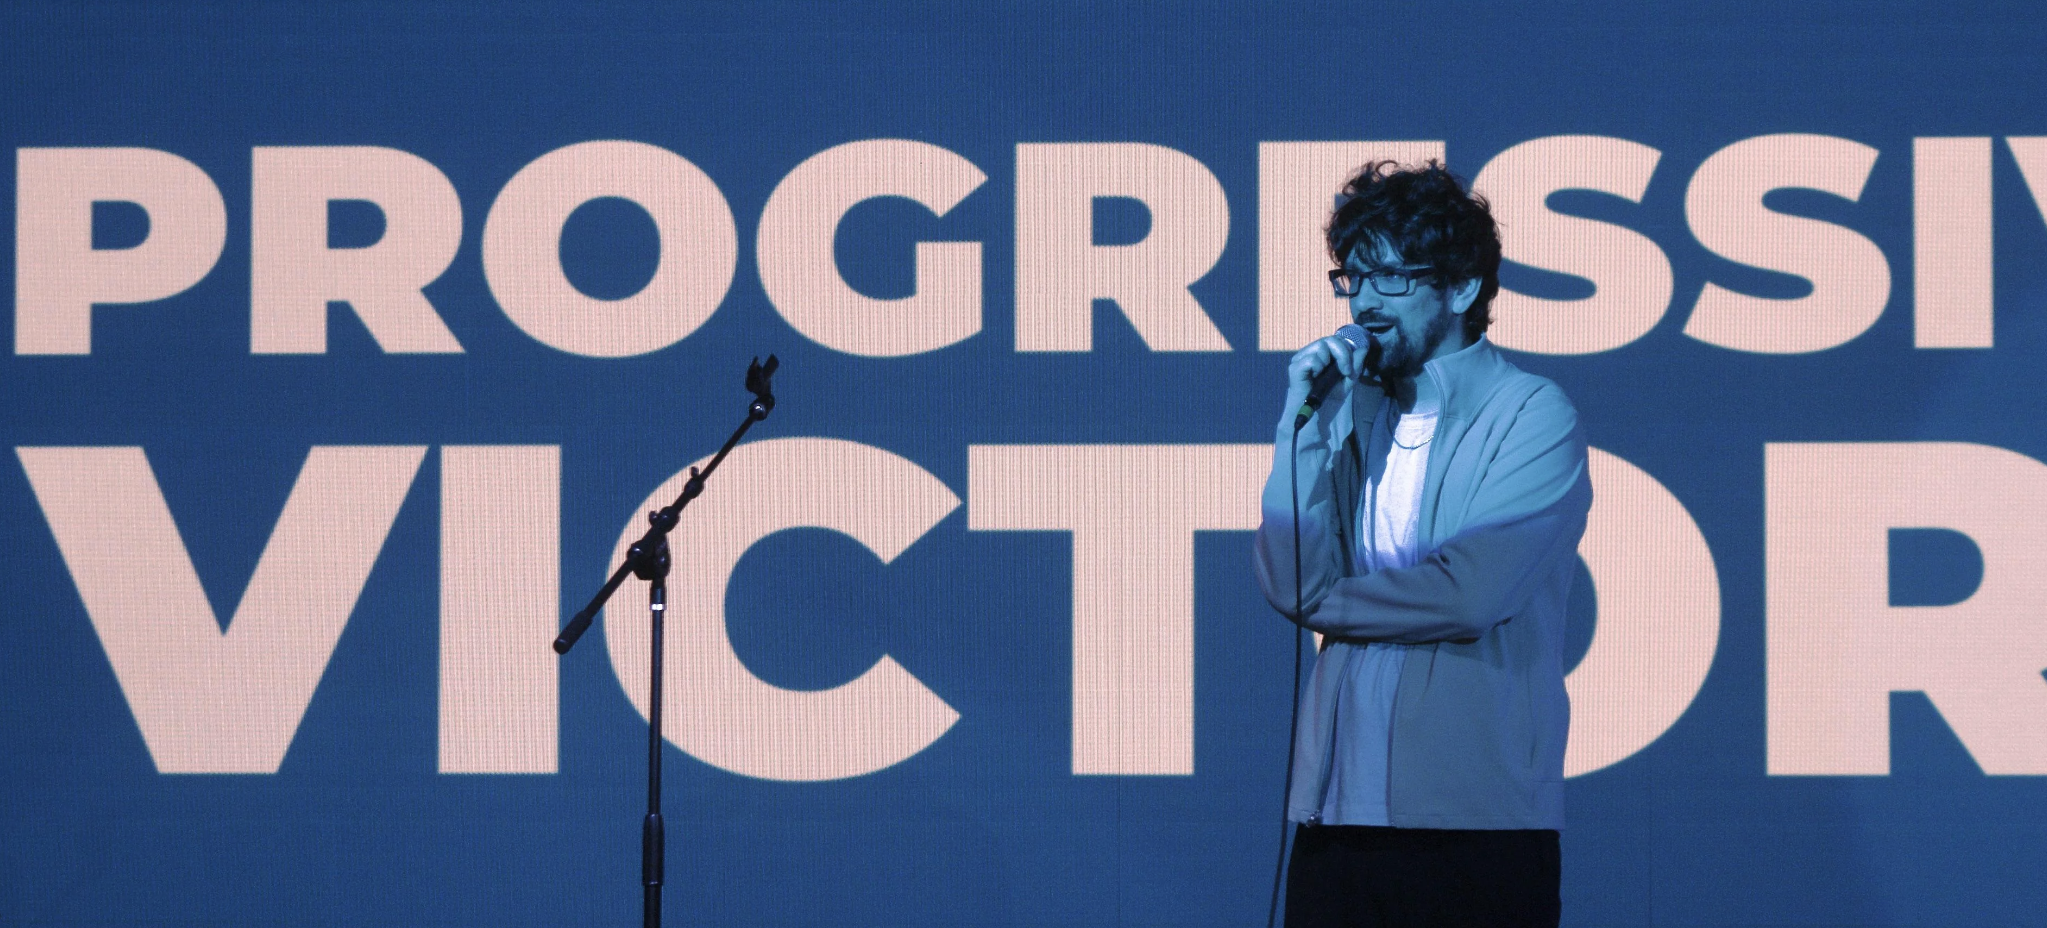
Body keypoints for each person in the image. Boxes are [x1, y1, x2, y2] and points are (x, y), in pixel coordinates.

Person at [1253, 161, 1592, 928]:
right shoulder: (1351, 411)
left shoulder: (1529, 413)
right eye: (1353, 277)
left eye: (1391, 278)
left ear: (1462, 289)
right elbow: (1290, 575)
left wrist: (1326, 604)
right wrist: (1297, 427)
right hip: (1337, 810)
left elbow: (1470, 594)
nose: (1364, 302)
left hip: (1474, 822)